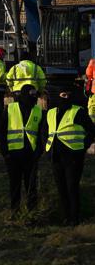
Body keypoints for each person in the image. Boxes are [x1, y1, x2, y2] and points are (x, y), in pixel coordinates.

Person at [45, 87, 95, 226]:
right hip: (55, 156)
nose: (66, 97)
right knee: (61, 188)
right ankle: (66, 217)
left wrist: (82, 147)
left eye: (68, 95)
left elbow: (91, 131)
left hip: (73, 157)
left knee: (72, 187)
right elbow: (46, 132)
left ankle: (75, 218)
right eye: (63, 94)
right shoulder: (50, 112)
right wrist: (47, 149)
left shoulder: (78, 111)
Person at [2, 84, 45, 215]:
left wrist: (38, 152)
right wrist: (5, 153)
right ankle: (15, 210)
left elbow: (41, 134)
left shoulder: (38, 110)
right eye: (30, 95)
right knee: (14, 184)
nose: (32, 98)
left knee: (31, 184)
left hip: (31, 154)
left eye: (34, 95)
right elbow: (1, 131)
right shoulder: (10, 108)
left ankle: (32, 210)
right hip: (13, 153)